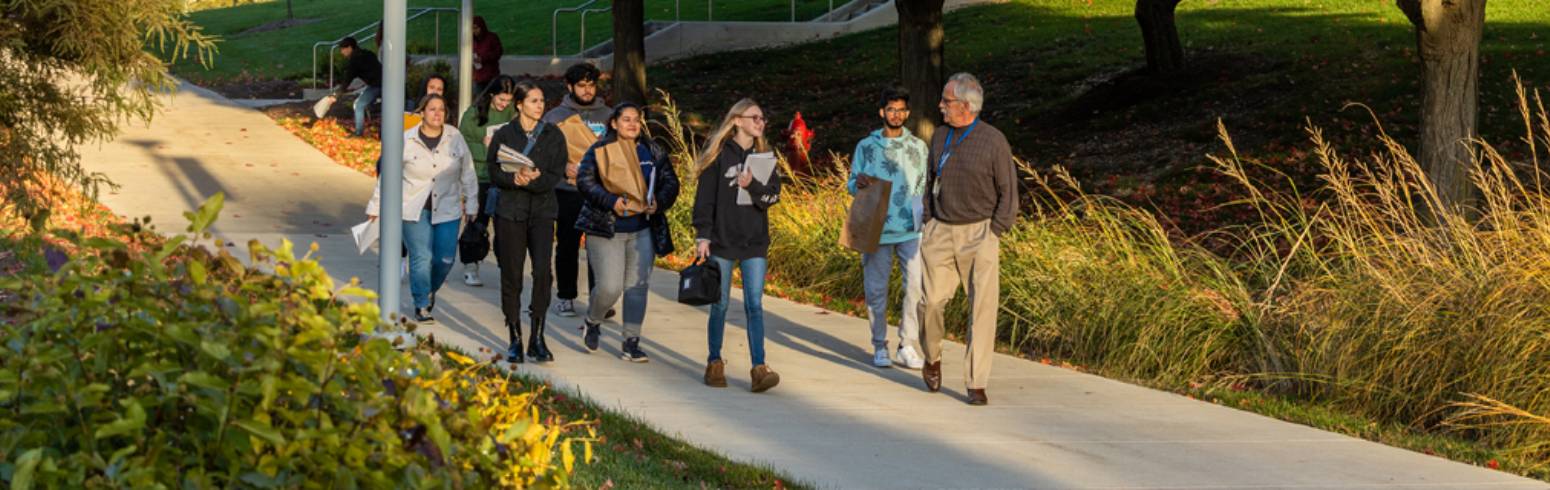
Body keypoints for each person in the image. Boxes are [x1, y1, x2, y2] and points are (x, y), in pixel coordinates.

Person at [918, 73, 1018, 406]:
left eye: (946, 101)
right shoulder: (940, 136)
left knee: (982, 310)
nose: (940, 106)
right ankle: (931, 357)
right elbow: (930, 179)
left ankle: (976, 382)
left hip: (980, 232)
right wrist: (929, 219)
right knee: (930, 303)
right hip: (941, 230)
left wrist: (995, 232)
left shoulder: (993, 141)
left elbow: (1009, 192)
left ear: (964, 105)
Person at [574, 102, 680, 362]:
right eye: (626, 120)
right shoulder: (600, 149)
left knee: (637, 286)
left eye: (637, 119)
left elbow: (671, 181)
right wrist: (610, 201)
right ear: (614, 123)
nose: (633, 124)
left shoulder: (651, 149)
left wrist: (659, 201)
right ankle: (593, 319)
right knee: (610, 287)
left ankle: (631, 342)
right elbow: (584, 180)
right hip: (606, 228)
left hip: (642, 228)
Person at [692, 98, 783, 393]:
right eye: (754, 117)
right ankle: (714, 362)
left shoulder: (765, 157)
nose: (760, 123)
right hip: (722, 240)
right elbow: (704, 200)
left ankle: (759, 367)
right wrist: (702, 235)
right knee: (719, 304)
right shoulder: (719, 155)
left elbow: (772, 197)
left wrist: (752, 184)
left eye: (762, 118)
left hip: (754, 242)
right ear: (737, 120)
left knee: (754, 304)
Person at [365, 94, 478, 323]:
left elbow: (468, 171)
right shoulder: (406, 139)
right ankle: (421, 304)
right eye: (432, 109)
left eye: (441, 110)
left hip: (447, 206)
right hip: (413, 207)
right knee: (421, 256)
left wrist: (472, 201)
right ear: (422, 113)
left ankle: (428, 289)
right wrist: (375, 206)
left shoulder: (454, 137)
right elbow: (388, 175)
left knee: (444, 259)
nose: (437, 114)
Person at [847, 86, 929, 370]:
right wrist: (856, 185)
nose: (896, 115)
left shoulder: (918, 147)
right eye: (891, 109)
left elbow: (925, 184)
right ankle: (879, 344)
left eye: (901, 110)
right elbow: (851, 183)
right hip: (875, 227)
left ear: (907, 113)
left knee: (915, 287)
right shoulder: (866, 147)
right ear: (882, 112)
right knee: (876, 290)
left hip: (910, 227)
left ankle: (907, 343)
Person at [487, 79, 567, 364]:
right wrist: (514, 178)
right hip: (510, 211)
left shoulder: (553, 135)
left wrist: (534, 180)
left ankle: (538, 335)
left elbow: (557, 170)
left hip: (543, 210)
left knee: (543, 272)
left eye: (542, 100)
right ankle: (515, 337)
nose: (540, 105)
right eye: (534, 100)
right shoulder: (504, 134)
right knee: (512, 274)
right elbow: (493, 170)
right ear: (519, 104)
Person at [542, 63, 612, 318]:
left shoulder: (608, 115)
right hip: (566, 190)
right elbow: (543, 154)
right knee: (567, 245)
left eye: (591, 84)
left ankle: (599, 299)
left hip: (599, 191)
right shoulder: (555, 117)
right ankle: (566, 296)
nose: (587, 90)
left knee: (601, 247)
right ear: (570, 87)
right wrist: (563, 168)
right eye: (581, 85)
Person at [456, 75, 518, 287]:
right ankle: (471, 264)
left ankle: (506, 266)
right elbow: (461, 145)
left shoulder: (514, 113)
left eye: (508, 101)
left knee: (505, 225)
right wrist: (485, 145)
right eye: (501, 100)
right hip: (480, 173)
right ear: (492, 95)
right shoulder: (473, 115)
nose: (504, 105)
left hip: (505, 172)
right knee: (476, 220)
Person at [334, 37, 383, 137]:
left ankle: (358, 133)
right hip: (385, 83)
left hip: (377, 85)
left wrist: (336, 95)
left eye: (343, 49)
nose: (342, 52)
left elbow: (347, 79)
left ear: (349, 48)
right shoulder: (368, 53)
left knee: (359, 105)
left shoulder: (354, 61)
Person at [471, 16, 503, 97]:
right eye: (472, 29)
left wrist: (483, 58)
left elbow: (498, 52)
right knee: (480, 99)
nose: (474, 31)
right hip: (479, 76)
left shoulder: (491, 38)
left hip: (491, 75)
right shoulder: (472, 41)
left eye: (476, 28)